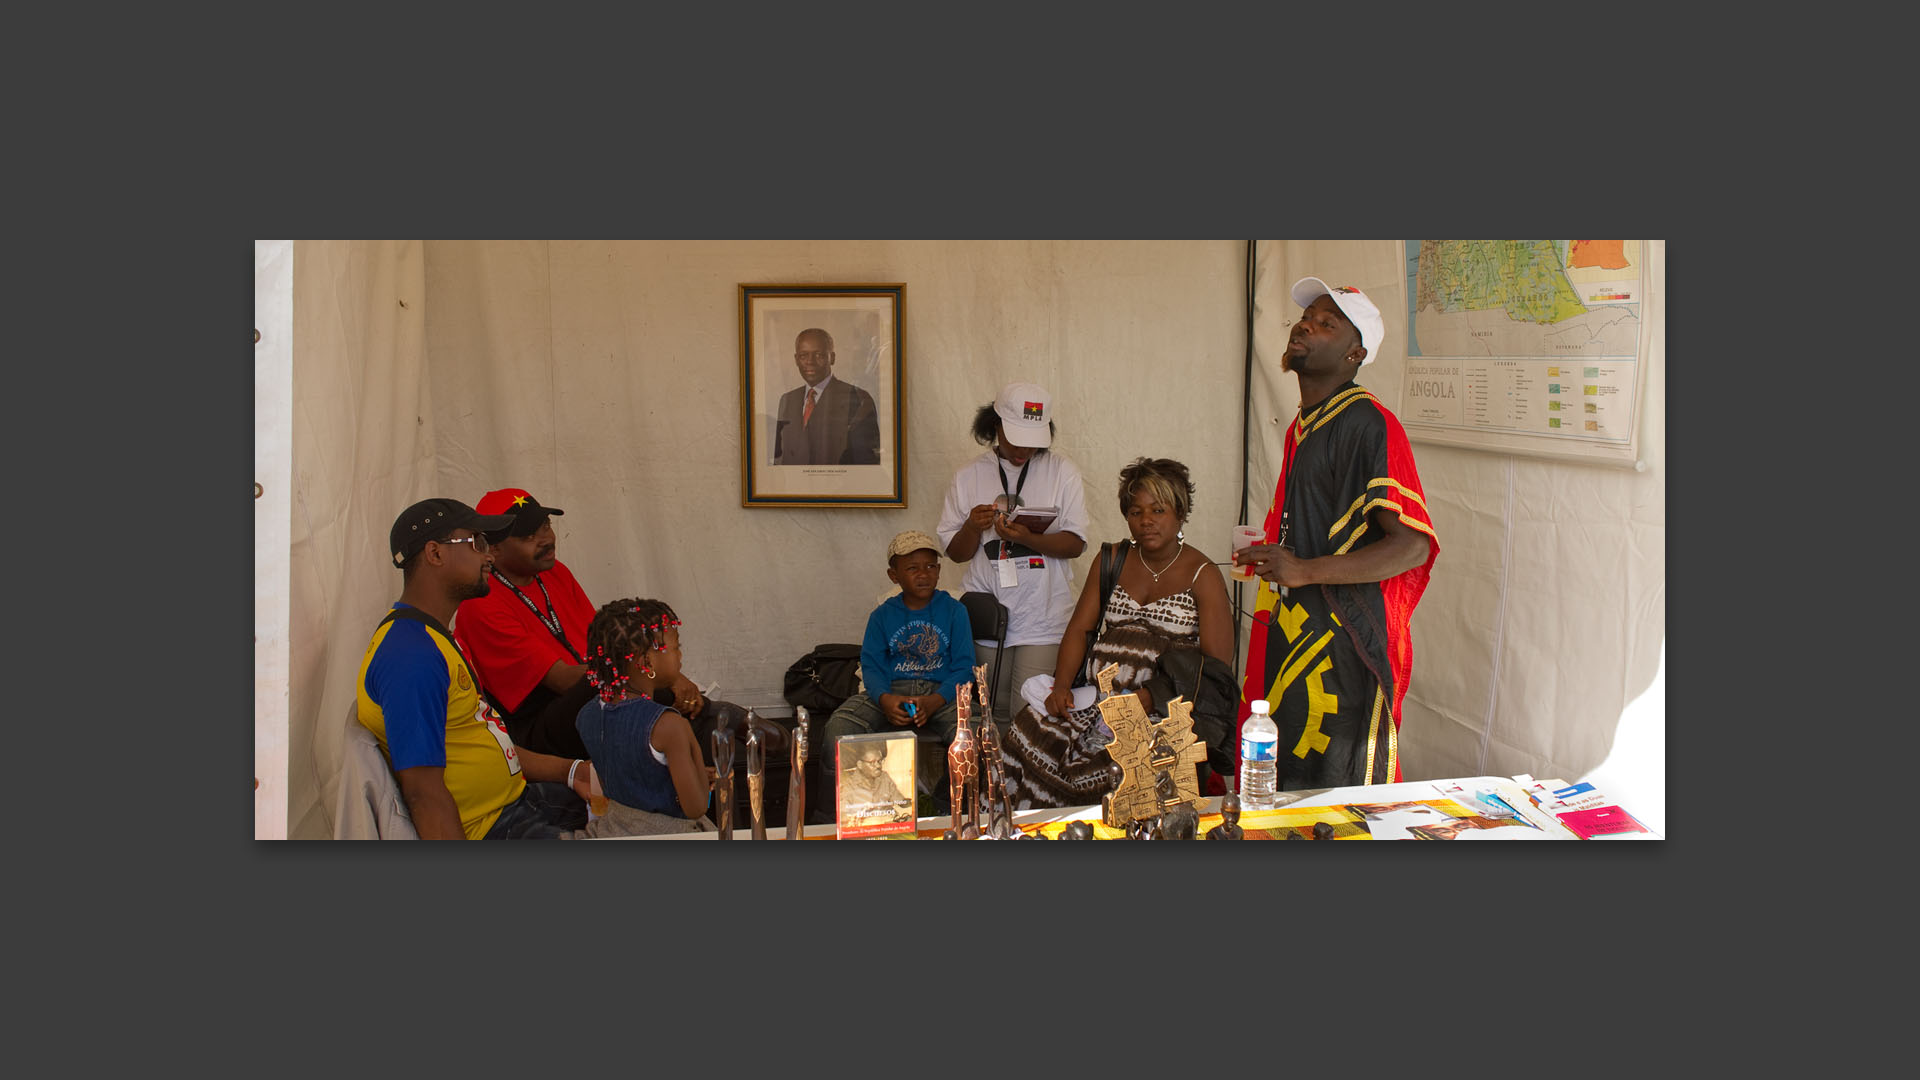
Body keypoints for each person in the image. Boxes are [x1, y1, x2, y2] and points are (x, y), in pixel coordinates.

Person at [1232, 277, 1440, 791]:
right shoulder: (1304, 424)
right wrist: (1277, 557)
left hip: (1347, 647)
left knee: (1341, 797)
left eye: (1328, 324)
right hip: (1299, 632)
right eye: (1308, 317)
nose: (1306, 324)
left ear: (1355, 354)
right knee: (1288, 789)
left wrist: (1303, 569)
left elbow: (1412, 544)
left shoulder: (1371, 424)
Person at [999, 458, 1233, 809]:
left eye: (1158, 510)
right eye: (1136, 511)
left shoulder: (1204, 574)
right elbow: (1080, 629)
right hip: (1095, 699)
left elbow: (1215, 668)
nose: (1146, 521)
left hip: (1162, 710)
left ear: (1180, 514)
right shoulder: (1111, 559)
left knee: (1111, 771)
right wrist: (1062, 686)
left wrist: (1149, 698)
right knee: (1027, 732)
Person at [357, 498, 597, 839]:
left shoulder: (435, 638)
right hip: (494, 828)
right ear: (435, 554)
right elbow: (423, 794)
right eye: (477, 542)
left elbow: (486, 740)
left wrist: (571, 771)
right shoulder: (410, 656)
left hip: (519, 802)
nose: (489, 555)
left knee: (648, 802)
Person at [453, 487, 742, 765]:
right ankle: (707, 716)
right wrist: (662, 676)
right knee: (601, 679)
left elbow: (609, 641)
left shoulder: (555, 573)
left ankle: (703, 721)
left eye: (545, 526)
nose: (546, 539)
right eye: (530, 535)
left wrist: (670, 673)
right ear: (493, 548)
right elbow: (564, 680)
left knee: (639, 643)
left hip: (597, 693)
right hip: (544, 721)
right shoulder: (480, 602)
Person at [936, 381, 1089, 723]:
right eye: (1016, 440)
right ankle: (993, 778)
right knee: (991, 715)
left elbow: (1075, 544)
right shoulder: (968, 476)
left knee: (1030, 718)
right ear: (995, 426)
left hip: (1045, 617)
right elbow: (956, 554)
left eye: (1033, 444)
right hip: (989, 618)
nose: (1023, 452)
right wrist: (973, 527)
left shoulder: (1062, 472)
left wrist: (1026, 536)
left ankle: (1022, 779)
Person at [821, 530, 975, 806]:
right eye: (912, 568)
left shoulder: (954, 611)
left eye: (930, 567)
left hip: (942, 693)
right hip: (892, 690)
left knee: (974, 739)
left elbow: (965, 667)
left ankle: (941, 805)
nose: (923, 574)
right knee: (838, 728)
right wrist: (884, 698)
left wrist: (936, 700)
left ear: (939, 571)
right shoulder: (882, 615)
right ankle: (837, 815)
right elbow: (871, 665)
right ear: (894, 575)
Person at [571, 598, 718, 834]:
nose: (680, 656)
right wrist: (695, 756)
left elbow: (629, 775)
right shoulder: (669, 725)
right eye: (676, 647)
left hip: (613, 830)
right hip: (668, 835)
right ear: (647, 661)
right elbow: (696, 806)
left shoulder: (586, 715)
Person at [772, 328, 880, 466]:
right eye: (803, 355)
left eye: (819, 355)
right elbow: (780, 460)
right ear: (796, 360)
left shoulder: (858, 399)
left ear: (832, 358)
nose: (810, 362)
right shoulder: (787, 400)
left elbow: (866, 465)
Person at [838, 739, 913, 824]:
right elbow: (843, 815)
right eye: (872, 762)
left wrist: (913, 801)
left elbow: (900, 802)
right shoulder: (847, 783)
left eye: (879, 761)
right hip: (864, 827)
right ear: (860, 764)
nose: (878, 766)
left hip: (890, 822)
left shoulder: (884, 777)